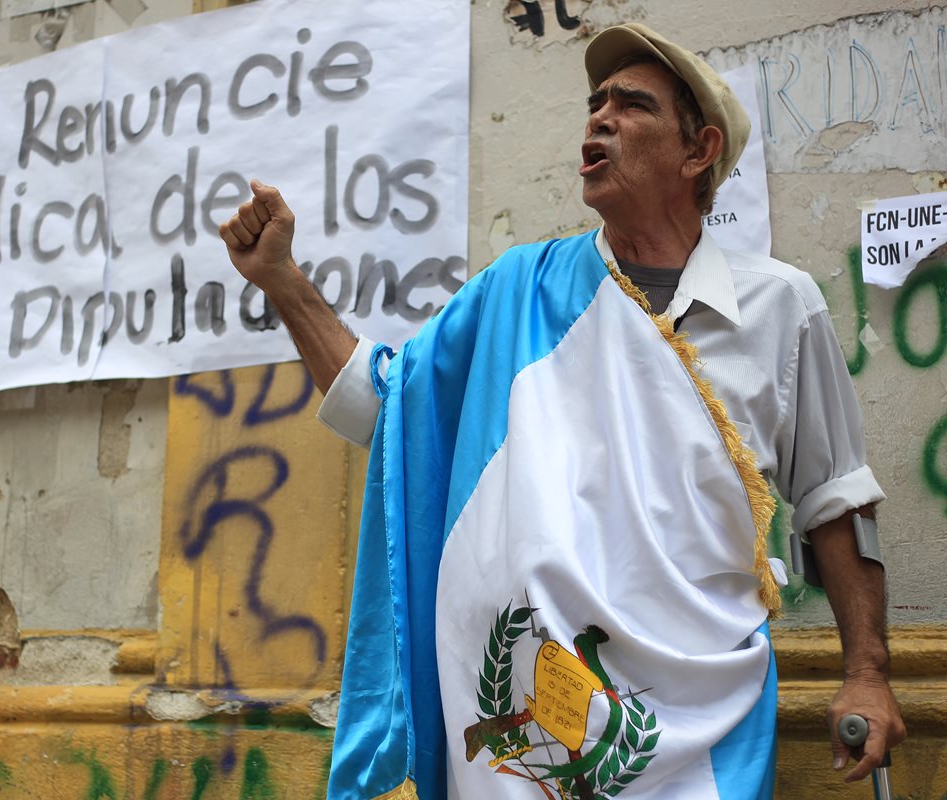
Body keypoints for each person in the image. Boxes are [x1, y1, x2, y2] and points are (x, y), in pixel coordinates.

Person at [220, 22, 904, 800]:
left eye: (632, 105)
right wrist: (281, 281)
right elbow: (384, 410)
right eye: (595, 103)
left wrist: (869, 674)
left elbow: (835, 500)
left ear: (698, 150)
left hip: (700, 742)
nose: (600, 117)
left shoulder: (783, 306)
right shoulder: (515, 294)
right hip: (516, 754)